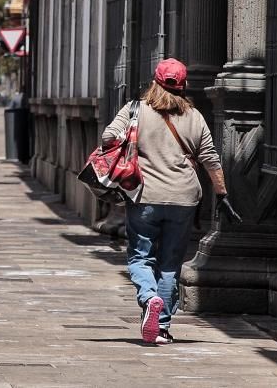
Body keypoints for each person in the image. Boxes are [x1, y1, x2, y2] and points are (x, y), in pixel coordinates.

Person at [101, 58, 241, 345]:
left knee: (141, 256)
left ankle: (149, 297)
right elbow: (211, 160)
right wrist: (222, 194)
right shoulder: (195, 117)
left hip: (145, 196)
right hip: (184, 200)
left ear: (155, 81)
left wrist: (131, 142)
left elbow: (107, 138)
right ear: (184, 85)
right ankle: (162, 326)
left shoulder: (135, 110)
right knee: (170, 263)